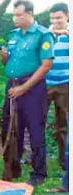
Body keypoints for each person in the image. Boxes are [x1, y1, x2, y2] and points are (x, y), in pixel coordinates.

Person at [0, 0, 54, 186]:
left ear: (30, 14)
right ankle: (14, 168)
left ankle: (39, 172)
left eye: (19, 15)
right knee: (12, 128)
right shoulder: (13, 35)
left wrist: (24, 88)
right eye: (14, 15)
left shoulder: (42, 35)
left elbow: (46, 66)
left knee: (35, 129)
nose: (15, 18)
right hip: (12, 87)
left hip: (32, 89)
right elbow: (9, 62)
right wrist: (5, 58)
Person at [46, 3, 69, 172]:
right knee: (37, 121)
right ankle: (37, 160)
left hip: (65, 84)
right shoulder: (46, 35)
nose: (56, 21)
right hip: (45, 84)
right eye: (53, 18)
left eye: (59, 18)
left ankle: (64, 162)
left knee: (63, 125)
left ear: (67, 16)